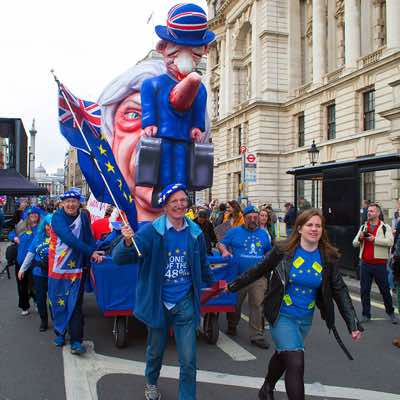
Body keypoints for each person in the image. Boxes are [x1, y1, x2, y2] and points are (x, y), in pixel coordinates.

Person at [227, 209, 363, 400]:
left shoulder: (327, 257)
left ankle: (267, 388)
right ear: (299, 228)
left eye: (318, 225)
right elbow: (258, 270)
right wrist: (232, 286)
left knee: (284, 356)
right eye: (309, 225)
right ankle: (269, 388)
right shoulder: (283, 251)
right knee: (296, 362)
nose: (314, 229)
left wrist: (352, 322)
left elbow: (339, 289)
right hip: (281, 315)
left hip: (304, 319)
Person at [112, 183, 214, 400]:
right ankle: (151, 383)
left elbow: (203, 264)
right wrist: (127, 241)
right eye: (173, 202)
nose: (179, 205)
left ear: (188, 204)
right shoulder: (151, 231)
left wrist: (213, 281)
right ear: (165, 207)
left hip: (185, 304)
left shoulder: (196, 233)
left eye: (183, 201)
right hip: (159, 303)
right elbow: (120, 258)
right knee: (155, 351)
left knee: (188, 359)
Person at [140, 3, 215, 191]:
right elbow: (148, 99)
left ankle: (178, 197)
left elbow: (199, 106)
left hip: (183, 137)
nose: (185, 57)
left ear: (204, 49)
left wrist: (198, 126)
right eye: (178, 49)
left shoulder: (200, 88)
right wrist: (149, 122)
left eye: (193, 50)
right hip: (162, 137)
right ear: (162, 48)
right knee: (162, 171)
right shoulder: (153, 83)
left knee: (181, 170)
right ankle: (163, 198)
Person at [48, 190, 104, 355]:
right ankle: (60, 332)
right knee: (58, 303)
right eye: (68, 201)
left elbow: (89, 238)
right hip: (57, 269)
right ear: (62, 203)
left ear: (79, 202)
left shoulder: (84, 217)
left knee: (75, 305)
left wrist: (95, 252)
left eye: (74, 201)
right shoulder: (57, 218)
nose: (71, 204)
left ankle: (76, 340)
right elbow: (69, 239)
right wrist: (90, 251)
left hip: (77, 269)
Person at [217, 205, 272, 348]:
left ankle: (257, 335)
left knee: (258, 304)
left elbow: (268, 251)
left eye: (255, 217)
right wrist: (224, 251)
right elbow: (221, 243)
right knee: (235, 304)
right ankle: (232, 324)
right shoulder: (234, 231)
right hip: (238, 276)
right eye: (250, 218)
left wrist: (268, 263)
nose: (253, 220)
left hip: (258, 276)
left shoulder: (263, 234)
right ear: (244, 219)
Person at [352, 203, 398, 324]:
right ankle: (366, 315)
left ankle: (390, 313)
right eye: (368, 211)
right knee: (364, 290)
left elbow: (390, 242)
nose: (369, 213)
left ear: (378, 213)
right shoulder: (363, 227)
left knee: (384, 289)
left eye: (372, 211)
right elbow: (354, 243)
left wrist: (374, 240)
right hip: (365, 264)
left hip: (379, 264)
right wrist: (360, 238)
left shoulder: (385, 227)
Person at [18, 214, 52, 331]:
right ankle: (43, 320)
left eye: (53, 226)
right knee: (40, 299)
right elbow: (30, 254)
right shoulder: (38, 238)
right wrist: (22, 269)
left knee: (53, 299)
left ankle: (56, 319)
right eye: (48, 225)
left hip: (54, 275)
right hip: (39, 273)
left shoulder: (60, 238)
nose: (50, 228)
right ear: (44, 226)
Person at [9, 206, 42, 315]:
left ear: (38, 216)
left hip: (35, 262)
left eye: (35, 214)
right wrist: (14, 237)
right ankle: (24, 306)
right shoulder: (21, 226)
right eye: (31, 214)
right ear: (28, 216)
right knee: (22, 285)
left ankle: (37, 302)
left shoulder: (42, 227)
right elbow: (11, 233)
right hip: (21, 260)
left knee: (35, 284)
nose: (33, 216)